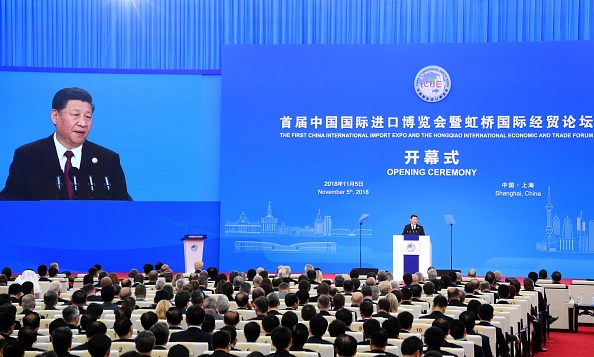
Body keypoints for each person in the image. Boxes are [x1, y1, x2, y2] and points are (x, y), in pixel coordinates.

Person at [0, 87, 132, 200]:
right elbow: (9, 203)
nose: (83, 123)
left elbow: (126, 207)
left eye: (88, 117)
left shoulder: (107, 160)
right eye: (75, 114)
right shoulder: (28, 156)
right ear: (55, 117)